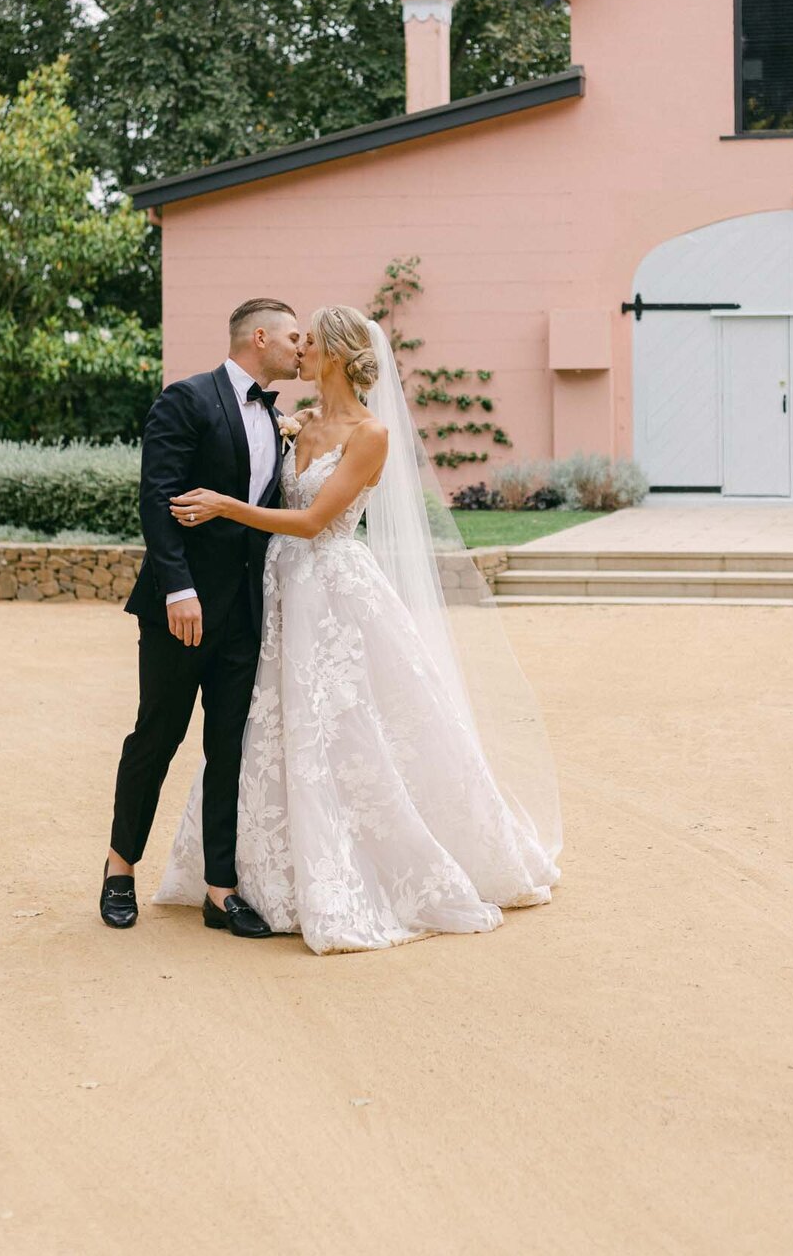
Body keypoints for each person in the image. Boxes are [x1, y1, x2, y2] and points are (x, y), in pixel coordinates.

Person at [155, 305, 562, 955]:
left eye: (310, 341)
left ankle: (355, 868)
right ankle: (238, 874)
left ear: (339, 354)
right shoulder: (302, 422)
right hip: (281, 588)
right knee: (268, 723)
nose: (301, 351)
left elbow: (314, 520)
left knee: (349, 727)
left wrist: (226, 506)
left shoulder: (370, 434)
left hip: (334, 593)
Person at [99, 298, 302, 936]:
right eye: (295, 337)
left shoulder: (276, 419)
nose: (303, 348)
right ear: (260, 337)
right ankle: (118, 869)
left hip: (244, 616)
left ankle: (221, 889)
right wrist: (176, 589)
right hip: (179, 612)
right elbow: (157, 498)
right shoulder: (184, 399)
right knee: (156, 738)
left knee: (228, 748)